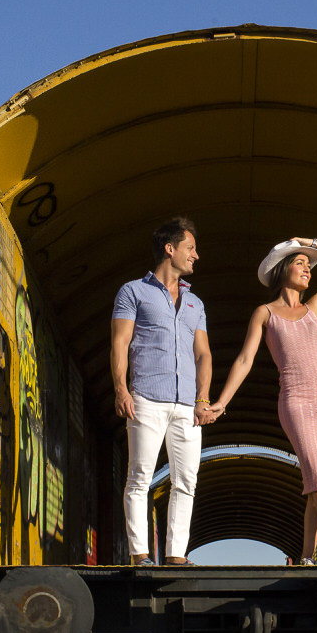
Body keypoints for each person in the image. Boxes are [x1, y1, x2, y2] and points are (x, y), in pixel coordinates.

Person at [208, 237, 317, 565]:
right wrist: (222, 402)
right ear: (281, 269)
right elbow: (245, 359)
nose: (307, 269)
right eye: (299, 262)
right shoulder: (265, 313)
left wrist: (313, 243)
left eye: (309, 265)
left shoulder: (315, 307)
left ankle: (306, 557)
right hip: (297, 402)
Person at [110, 217, 217, 566]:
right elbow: (120, 342)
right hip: (146, 399)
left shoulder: (195, 303)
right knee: (139, 477)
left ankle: (175, 555)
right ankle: (140, 555)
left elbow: (203, 354)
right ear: (170, 249)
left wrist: (203, 399)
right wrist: (121, 389)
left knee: (186, 481)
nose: (196, 255)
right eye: (191, 248)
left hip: (187, 405)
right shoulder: (132, 292)